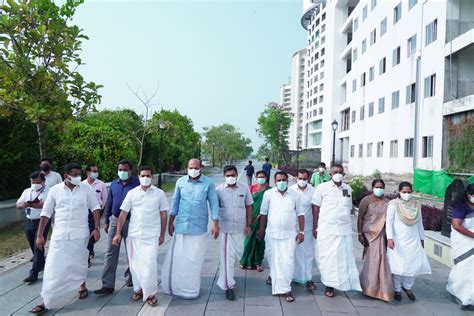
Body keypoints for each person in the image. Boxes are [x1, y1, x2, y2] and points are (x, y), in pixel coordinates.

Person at [30, 163, 101, 314]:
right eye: (74, 174)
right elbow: (46, 212)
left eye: (78, 174)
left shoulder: (86, 189)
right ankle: (46, 300)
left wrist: (96, 228)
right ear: (66, 176)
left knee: (80, 261)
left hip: (80, 234)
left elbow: (95, 208)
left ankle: (82, 286)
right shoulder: (55, 190)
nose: (77, 177)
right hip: (60, 235)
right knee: (52, 267)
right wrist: (40, 235)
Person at [161, 158, 219, 299]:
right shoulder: (180, 182)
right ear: (187, 168)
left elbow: (214, 203)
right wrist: (171, 221)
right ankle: (175, 287)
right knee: (178, 260)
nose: (193, 170)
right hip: (181, 226)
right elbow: (175, 202)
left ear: (200, 168)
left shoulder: (208, 183)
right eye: (191, 167)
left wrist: (215, 224)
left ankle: (190, 290)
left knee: (194, 260)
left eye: (196, 167)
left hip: (198, 228)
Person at [112, 166, 169, 307]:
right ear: (138, 177)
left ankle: (150, 293)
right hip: (134, 234)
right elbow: (123, 214)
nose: (145, 178)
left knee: (149, 264)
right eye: (143, 175)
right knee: (135, 265)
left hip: (152, 235)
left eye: (148, 176)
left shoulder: (159, 193)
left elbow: (163, 215)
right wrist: (118, 233)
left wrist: (162, 234)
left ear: (152, 177)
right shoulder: (132, 193)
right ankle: (138, 289)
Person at [312, 163, 361, 298]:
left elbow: (348, 207)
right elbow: (315, 208)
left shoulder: (347, 189)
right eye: (335, 172)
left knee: (342, 258)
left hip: (344, 230)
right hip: (326, 229)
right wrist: (315, 227)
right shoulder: (322, 188)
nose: (338, 174)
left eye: (341, 172)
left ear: (343, 175)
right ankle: (329, 284)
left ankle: (340, 283)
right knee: (328, 258)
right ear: (330, 174)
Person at [258, 171, 305, 303]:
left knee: (288, 261)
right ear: (274, 182)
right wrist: (261, 229)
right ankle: (274, 278)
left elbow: (301, 214)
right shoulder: (269, 194)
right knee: (273, 259)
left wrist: (302, 232)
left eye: (284, 180)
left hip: (290, 235)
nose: (281, 182)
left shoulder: (295, 195)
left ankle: (286, 289)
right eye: (279, 180)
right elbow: (263, 213)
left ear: (288, 181)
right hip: (272, 233)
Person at [94, 159, 140, 295]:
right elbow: (110, 201)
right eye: (120, 169)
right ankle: (107, 284)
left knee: (132, 252)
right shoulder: (114, 183)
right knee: (110, 252)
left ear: (131, 171)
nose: (122, 172)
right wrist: (107, 221)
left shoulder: (137, 184)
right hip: (115, 220)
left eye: (125, 170)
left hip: (131, 221)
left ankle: (131, 277)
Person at [386, 181, 431, 301]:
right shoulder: (393, 205)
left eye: (409, 192)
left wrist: (422, 238)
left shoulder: (416, 205)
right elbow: (389, 223)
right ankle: (397, 289)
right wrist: (389, 238)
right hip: (398, 240)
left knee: (414, 265)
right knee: (398, 266)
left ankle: (408, 286)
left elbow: (420, 223)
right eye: (404, 192)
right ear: (399, 192)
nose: (406, 194)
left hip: (414, 239)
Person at [216, 165, 253, 300]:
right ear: (224, 176)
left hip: (241, 228)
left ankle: (229, 276)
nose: (230, 177)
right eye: (228, 175)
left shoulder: (244, 188)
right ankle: (228, 286)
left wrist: (249, 224)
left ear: (237, 175)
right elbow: (215, 209)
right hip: (226, 230)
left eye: (233, 175)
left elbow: (249, 207)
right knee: (227, 258)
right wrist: (215, 226)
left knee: (238, 255)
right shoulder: (218, 190)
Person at [357, 179, 393, 302]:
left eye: (381, 187)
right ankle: (369, 287)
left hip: (382, 234)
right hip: (369, 233)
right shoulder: (366, 201)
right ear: (372, 187)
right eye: (377, 187)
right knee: (372, 260)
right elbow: (360, 218)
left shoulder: (387, 202)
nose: (379, 189)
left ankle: (381, 289)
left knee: (381, 261)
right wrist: (359, 233)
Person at [16, 171, 50, 283]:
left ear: (43, 181)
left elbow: (46, 206)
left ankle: (34, 273)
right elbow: (18, 204)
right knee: (32, 244)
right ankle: (41, 262)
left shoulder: (48, 191)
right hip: (29, 221)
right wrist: (25, 205)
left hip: (42, 221)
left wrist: (33, 204)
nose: (34, 184)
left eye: (37, 182)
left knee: (38, 245)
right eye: (32, 182)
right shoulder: (27, 191)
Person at [447, 183, 474, 308]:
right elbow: (456, 225)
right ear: (468, 195)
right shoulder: (461, 207)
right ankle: (460, 293)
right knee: (465, 267)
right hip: (464, 242)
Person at [289, 169, 316, 290]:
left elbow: (315, 210)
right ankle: (292, 276)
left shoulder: (313, 191)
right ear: (296, 178)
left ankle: (308, 278)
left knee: (308, 253)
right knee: (292, 253)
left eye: (305, 179)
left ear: (308, 179)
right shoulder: (291, 190)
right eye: (300, 178)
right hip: (293, 227)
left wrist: (316, 227)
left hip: (308, 227)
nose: (302, 181)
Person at [240, 170, 271, 272]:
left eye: (263, 177)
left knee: (260, 240)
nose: (261, 178)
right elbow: (246, 204)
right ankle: (246, 261)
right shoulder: (250, 188)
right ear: (256, 178)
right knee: (248, 241)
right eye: (259, 177)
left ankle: (258, 262)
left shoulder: (270, 191)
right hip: (250, 218)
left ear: (266, 178)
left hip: (263, 219)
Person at [82, 164, 108, 267]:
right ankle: (87, 255)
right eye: (93, 171)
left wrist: (100, 211)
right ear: (87, 172)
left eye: (97, 171)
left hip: (96, 212)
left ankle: (89, 252)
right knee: (86, 233)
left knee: (92, 232)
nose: (95, 173)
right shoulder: (82, 184)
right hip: (84, 212)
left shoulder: (101, 184)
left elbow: (104, 198)